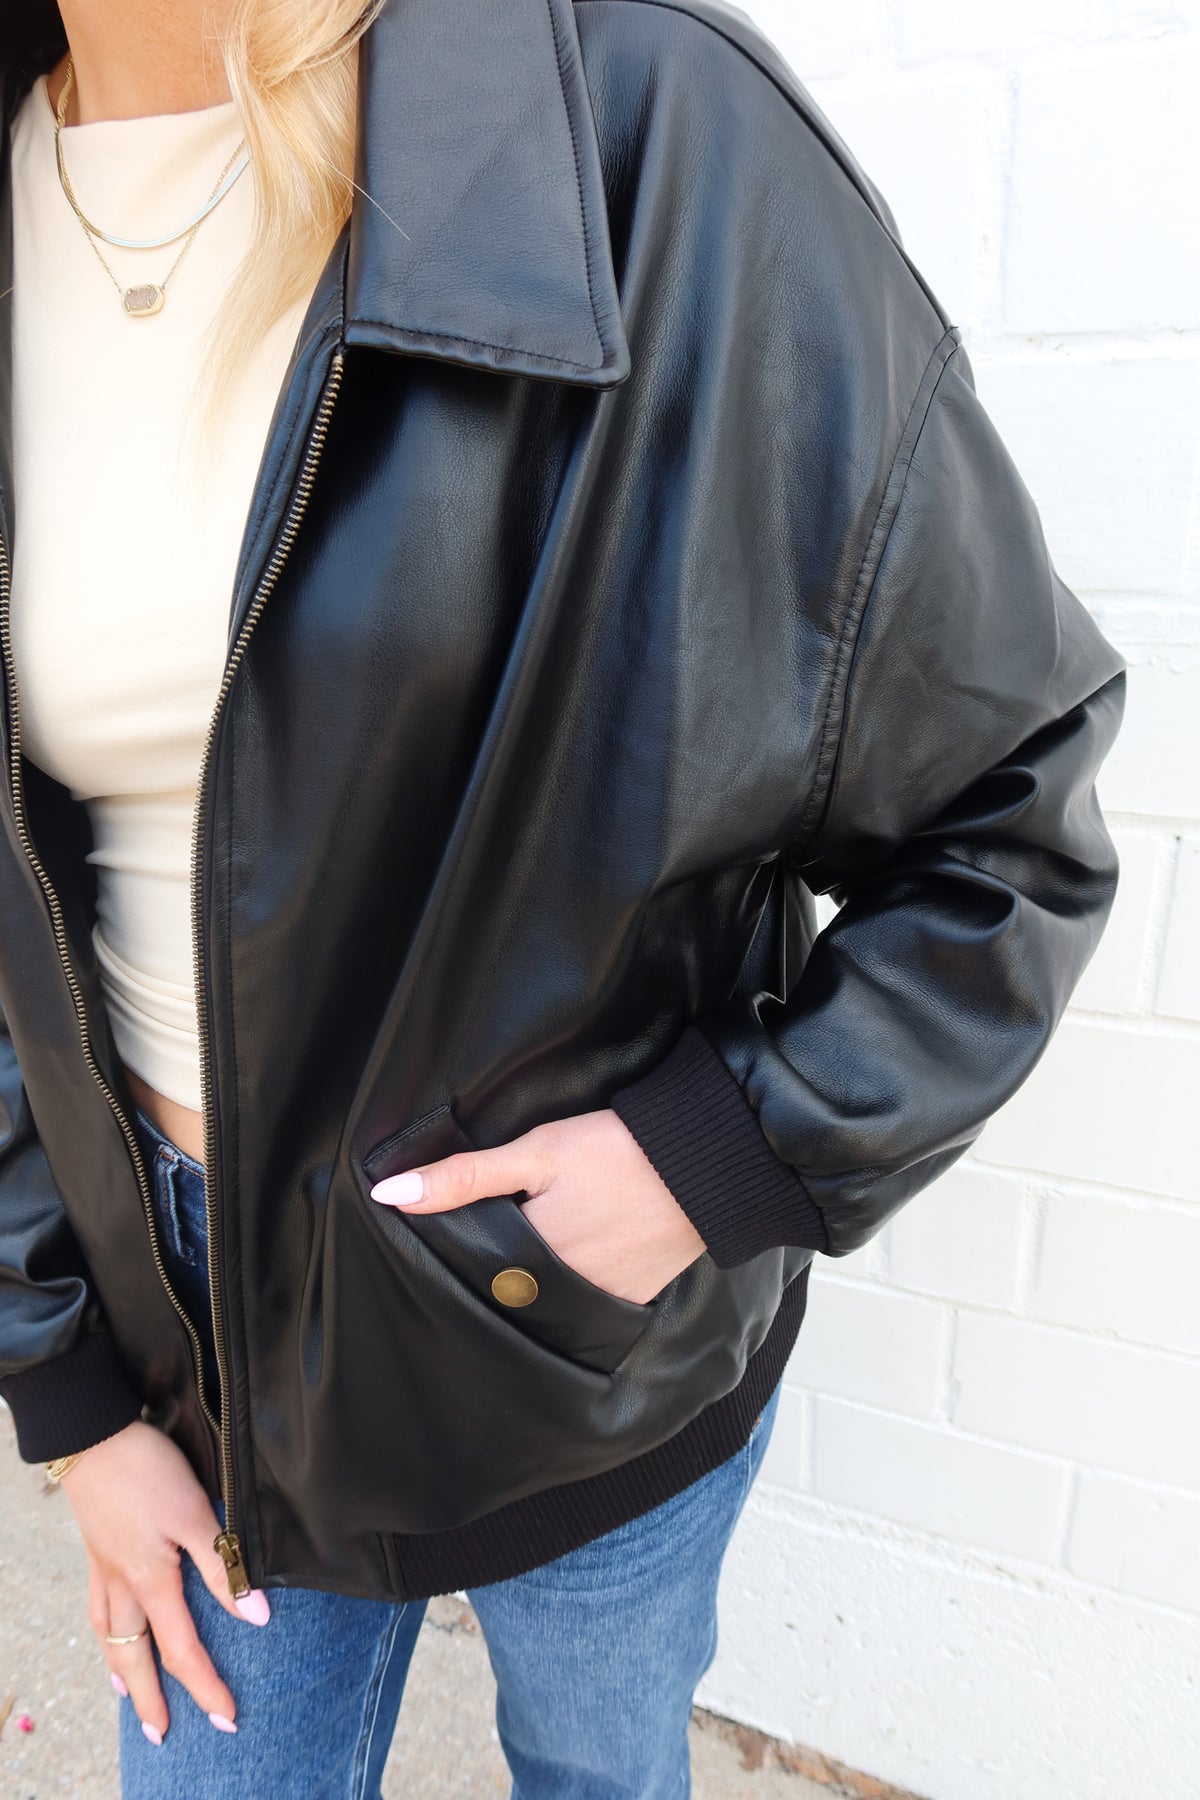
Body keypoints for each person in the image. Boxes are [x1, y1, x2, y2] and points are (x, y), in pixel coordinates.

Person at [0, 0, 1126, 1793]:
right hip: (178, 1345)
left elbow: (1008, 812)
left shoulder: (640, 134)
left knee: (602, 1768)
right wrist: (68, 1398)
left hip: (577, 1335)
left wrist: (716, 1156)